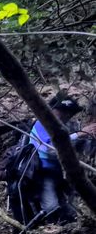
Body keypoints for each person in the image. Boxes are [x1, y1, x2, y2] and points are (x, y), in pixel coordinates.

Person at [29, 94, 90, 223]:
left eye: (69, 113)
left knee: (73, 206)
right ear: (51, 110)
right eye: (61, 111)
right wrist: (79, 135)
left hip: (61, 173)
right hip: (43, 172)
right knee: (51, 207)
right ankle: (51, 231)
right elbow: (49, 148)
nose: (66, 115)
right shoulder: (41, 124)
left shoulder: (67, 127)